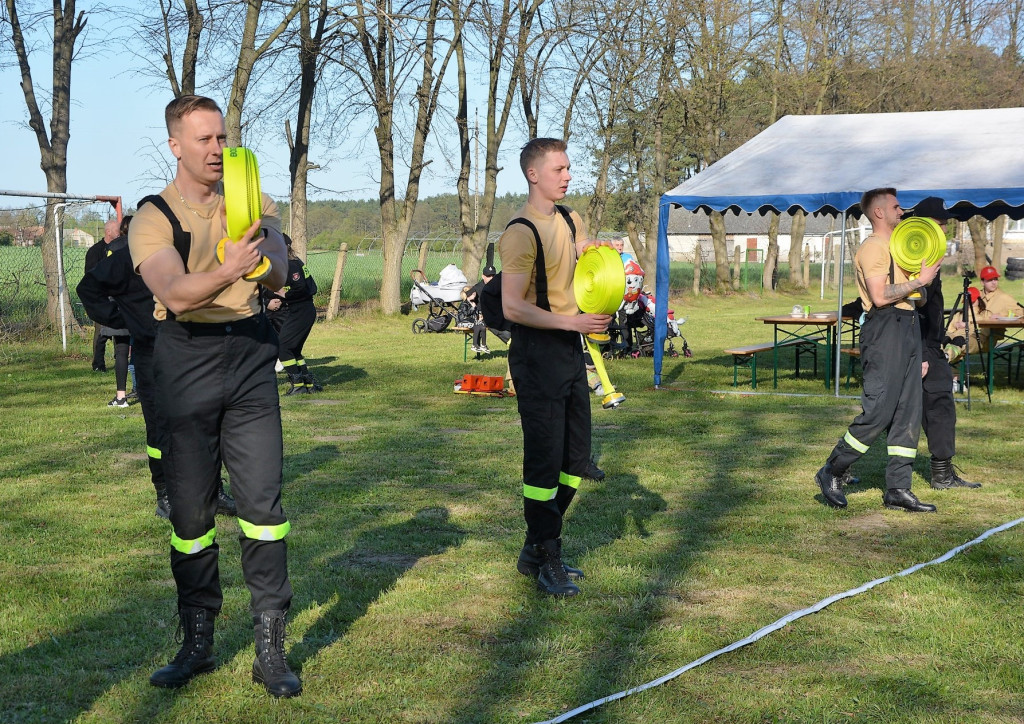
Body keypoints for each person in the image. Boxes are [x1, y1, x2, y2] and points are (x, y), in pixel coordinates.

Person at [129, 95, 300, 697]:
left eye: (222, 138)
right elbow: (174, 294)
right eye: (203, 140)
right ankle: (197, 641)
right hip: (186, 357)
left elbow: (280, 272)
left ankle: (270, 650)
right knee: (192, 516)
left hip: (251, 354)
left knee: (262, 507)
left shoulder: (251, 198)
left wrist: (261, 246)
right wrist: (229, 268)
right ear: (175, 144)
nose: (216, 150)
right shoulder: (152, 215)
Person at [499, 137, 611, 597]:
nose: (567, 176)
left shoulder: (569, 217)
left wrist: (593, 250)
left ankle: (534, 549)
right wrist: (572, 321)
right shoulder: (519, 233)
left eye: (568, 168)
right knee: (543, 466)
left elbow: (574, 251)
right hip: (536, 352)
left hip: (568, 347)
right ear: (533, 174)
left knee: (574, 461)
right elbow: (511, 307)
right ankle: (549, 557)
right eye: (559, 169)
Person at [76, 217, 239, 520]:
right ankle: (165, 494)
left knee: (207, 422)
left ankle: (213, 490)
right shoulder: (125, 258)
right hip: (153, 354)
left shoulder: (187, 252)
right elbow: (88, 288)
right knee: (161, 428)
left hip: (195, 352)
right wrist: (121, 318)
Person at [815, 188, 940, 513]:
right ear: (880, 212)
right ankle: (833, 469)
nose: (903, 211)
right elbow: (881, 295)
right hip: (884, 329)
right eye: (897, 207)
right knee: (880, 410)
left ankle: (898, 488)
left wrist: (921, 285)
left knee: (908, 411)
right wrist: (919, 282)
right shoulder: (873, 247)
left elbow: (918, 298)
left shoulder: (900, 247)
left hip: (909, 327)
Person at [910, 198, 981, 490]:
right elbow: (914, 309)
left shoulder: (929, 257)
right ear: (926, 226)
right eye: (940, 224)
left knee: (889, 411)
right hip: (921, 346)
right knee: (933, 407)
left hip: (930, 345)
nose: (943, 230)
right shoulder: (916, 258)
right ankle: (838, 466)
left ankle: (943, 472)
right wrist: (923, 352)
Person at [263, 234, 322, 395]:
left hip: (301, 311)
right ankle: (308, 384)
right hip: (302, 309)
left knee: (283, 348)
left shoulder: (291, 265)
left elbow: (301, 288)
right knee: (294, 349)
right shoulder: (295, 262)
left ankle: (298, 385)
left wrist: (284, 295)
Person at [948, 265, 1020, 354]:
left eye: (995, 279)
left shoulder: (1004, 297)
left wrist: (1002, 315)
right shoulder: (976, 295)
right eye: (990, 280)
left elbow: (1021, 311)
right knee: (951, 342)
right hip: (968, 332)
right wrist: (957, 323)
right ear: (982, 282)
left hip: (988, 337)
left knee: (960, 343)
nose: (994, 282)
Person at [84, 220, 126, 375]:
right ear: (108, 231)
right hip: (101, 298)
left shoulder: (119, 248)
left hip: (117, 297)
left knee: (119, 330)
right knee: (101, 333)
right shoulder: (95, 251)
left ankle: (120, 361)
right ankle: (98, 363)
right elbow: (90, 275)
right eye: (117, 230)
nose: (120, 233)